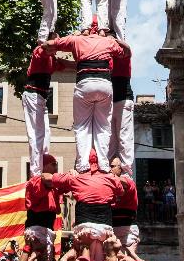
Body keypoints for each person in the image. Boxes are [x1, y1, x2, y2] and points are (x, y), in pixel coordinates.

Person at [42, 34, 130, 173]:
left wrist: (48, 48)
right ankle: (103, 164)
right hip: (104, 85)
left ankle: (83, 164)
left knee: (83, 127)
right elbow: (125, 53)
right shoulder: (108, 41)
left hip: (85, 84)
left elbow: (48, 44)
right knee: (103, 127)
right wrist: (122, 44)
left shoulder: (76, 39)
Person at [42, 150, 127, 261]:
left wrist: (69, 174)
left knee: (81, 259)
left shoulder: (75, 177)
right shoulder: (111, 178)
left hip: (84, 228)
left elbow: (45, 177)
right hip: (104, 228)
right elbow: (121, 191)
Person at [22, 42, 75, 176]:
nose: (58, 46)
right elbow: (46, 49)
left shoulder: (52, 59)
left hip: (41, 98)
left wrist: (87, 62)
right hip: (32, 95)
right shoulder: (39, 51)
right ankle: (36, 171)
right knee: (36, 135)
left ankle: (43, 163)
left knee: (46, 133)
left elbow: (69, 65)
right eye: (55, 42)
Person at [17, 154, 61, 261]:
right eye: (54, 164)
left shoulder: (52, 185)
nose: (56, 167)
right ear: (45, 166)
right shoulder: (36, 181)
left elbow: (57, 209)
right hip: (37, 226)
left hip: (45, 227)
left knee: (38, 260)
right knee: (37, 258)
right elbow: (45, 180)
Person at [108, 54, 134, 176]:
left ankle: (126, 172)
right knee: (110, 140)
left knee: (124, 138)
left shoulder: (123, 52)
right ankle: (109, 169)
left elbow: (126, 48)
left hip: (123, 100)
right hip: (109, 102)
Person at [109, 158, 139, 249]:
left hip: (128, 228)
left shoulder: (127, 181)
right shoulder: (110, 185)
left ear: (120, 168)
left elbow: (126, 184)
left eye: (112, 166)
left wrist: (110, 177)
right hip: (113, 229)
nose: (110, 169)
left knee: (127, 260)